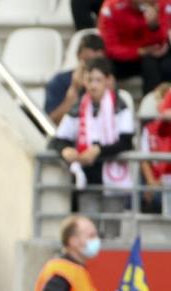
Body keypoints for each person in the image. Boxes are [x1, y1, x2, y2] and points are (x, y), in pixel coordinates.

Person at [51, 57, 135, 235]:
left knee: (112, 233)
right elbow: (57, 140)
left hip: (113, 180)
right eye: (89, 80)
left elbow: (126, 141)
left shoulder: (120, 106)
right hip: (87, 179)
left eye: (98, 80)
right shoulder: (78, 107)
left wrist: (98, 151)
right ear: (84, 81)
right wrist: (66, 149)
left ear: (108, 81)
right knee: (88, 233)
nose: (93, 86)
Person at [98, 0, 171, 94]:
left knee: (159, 64)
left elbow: (162, 43)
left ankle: (156, 103)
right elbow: (109, 47)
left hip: (153, 55)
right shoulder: (111, 6)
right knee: (101, 66)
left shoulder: (164, 3)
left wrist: (154, 27)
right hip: (123, 59)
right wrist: (139, 52)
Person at [45, 33, 106, 125]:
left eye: (97, 64)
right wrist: (74, 89)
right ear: (78, 55)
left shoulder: (107, 83)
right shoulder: (59, 81)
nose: (91, 71)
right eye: (88, 62)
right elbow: (51, 122)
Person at [140, 85, 171, 213]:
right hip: (156, 182)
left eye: (162, 99)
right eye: (157, 99)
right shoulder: (149, 128)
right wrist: (151, 183)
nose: (158, 103)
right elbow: (144, 159)